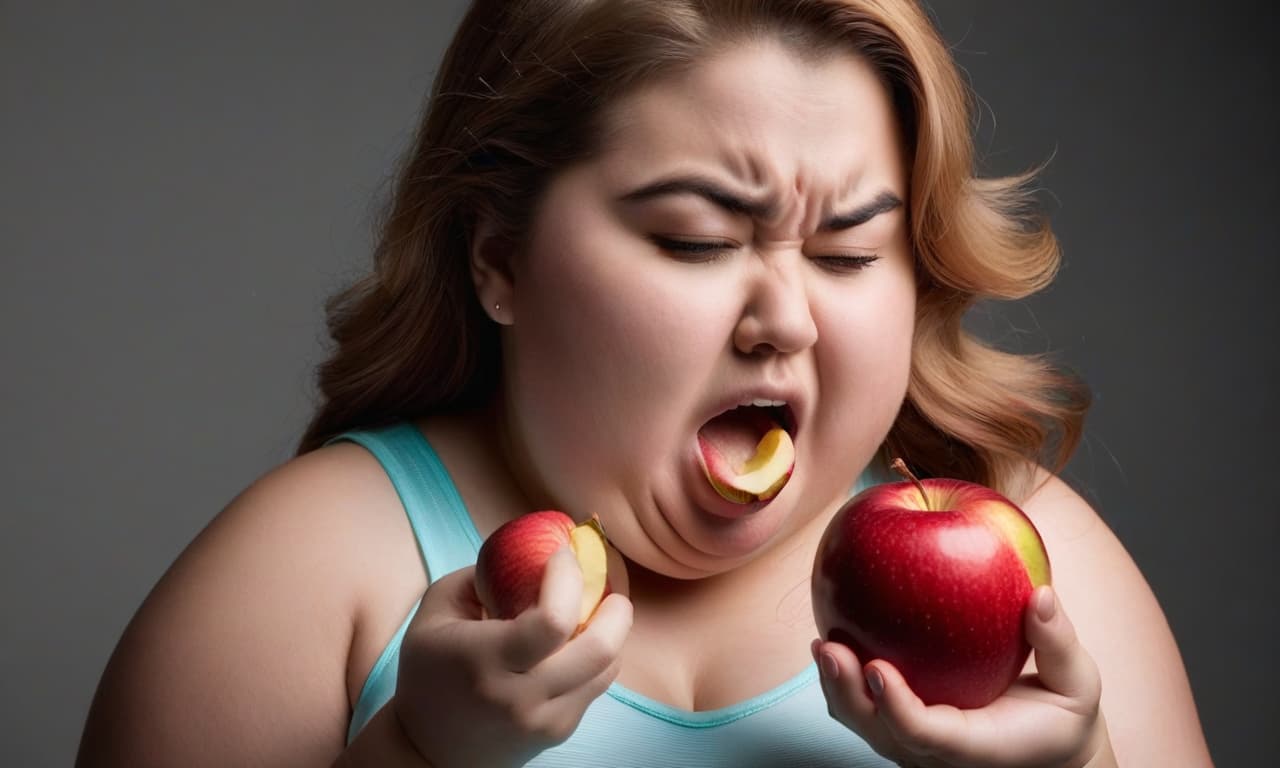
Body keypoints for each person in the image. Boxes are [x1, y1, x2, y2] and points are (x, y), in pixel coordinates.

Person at [76, 1, 1214, 766]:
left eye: (847, 254)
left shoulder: (1030, 572)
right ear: (500, 258)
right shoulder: (306, 572)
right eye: (694, 240)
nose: (783, 318)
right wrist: (416, 757)